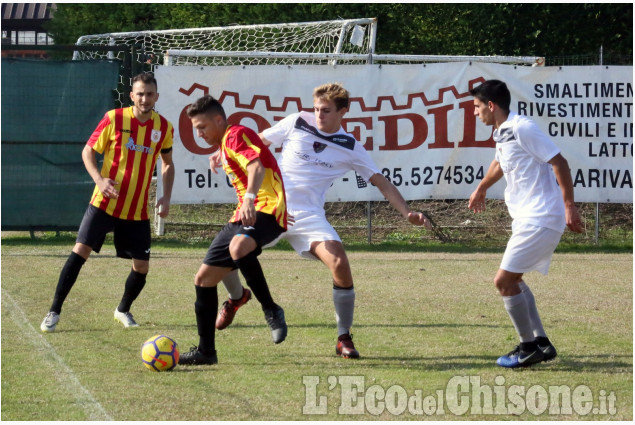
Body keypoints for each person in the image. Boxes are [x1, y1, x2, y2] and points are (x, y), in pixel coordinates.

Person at [214, 82, 431, 359]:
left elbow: (380, 181)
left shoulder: (350, 146)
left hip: (308, 215)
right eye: (316, 109)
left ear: (343, 111)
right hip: (272, 206)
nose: (318, 115)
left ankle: (344, 337)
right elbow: (256, 143)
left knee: (339, 262)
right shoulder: (296, 122)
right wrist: (223, 151)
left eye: (326, 110)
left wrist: (407, 213)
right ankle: (236, 298)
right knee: (228, 251)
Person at [40, 72, 175, 332]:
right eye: (140, 93)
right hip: (104, 202)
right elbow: (88, 151)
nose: (144, 99)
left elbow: (167, 164)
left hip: (136, 211)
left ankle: (122, 310)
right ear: (131, 95)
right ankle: (54, 311)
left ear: (156, 97)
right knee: (80, 252)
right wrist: (100, 180)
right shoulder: (114, 119)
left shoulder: (164, 128)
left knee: (142, 266)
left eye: (149, 94)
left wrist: (166, 196)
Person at [467, 79, 583, 368]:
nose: (474, 112)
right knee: (515, 280)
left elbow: (560, 162)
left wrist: (570, 206)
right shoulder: (502, 132)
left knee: (503, 281)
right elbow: (499, 163)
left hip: (541, 217)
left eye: (477, 107)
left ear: (491, 106)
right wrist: (481, 187)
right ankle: (541, 342)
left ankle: (527, 347)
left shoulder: (522, 127)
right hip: (528, 218)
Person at [179, 94, 289, 365]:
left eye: (202, 127)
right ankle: (206, 352)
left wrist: (250, 197)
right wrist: (220, 154)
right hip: (243, 214)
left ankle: (271, 310)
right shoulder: (227, 142)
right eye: (196, 129)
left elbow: (256, 166)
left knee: (238, 247)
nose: (199, 133)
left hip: (266, 208)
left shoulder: (235, 134)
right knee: (203, 280)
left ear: (219, 120)